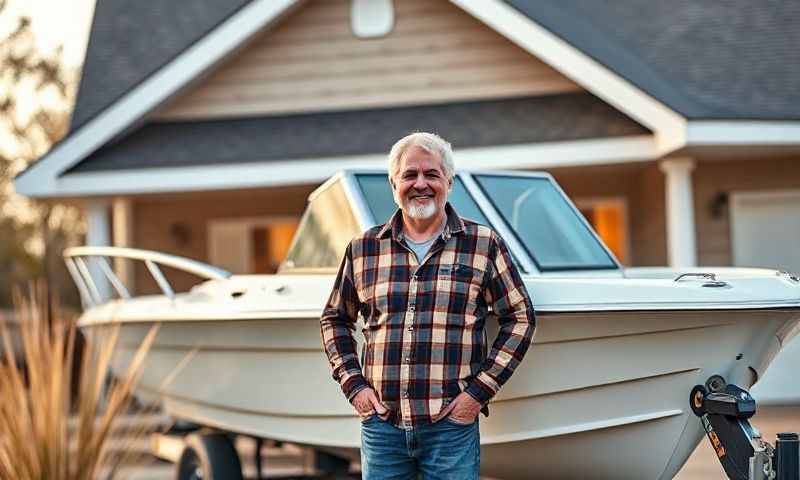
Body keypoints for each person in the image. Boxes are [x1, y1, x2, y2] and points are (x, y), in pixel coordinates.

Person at [320, 132, 535, 479]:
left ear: (448, 182)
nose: (421, 183)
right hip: (382, 427)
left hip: (451, 427)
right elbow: (334, 318)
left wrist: (477, 395)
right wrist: (355, 387)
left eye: (431, 174)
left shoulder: (483, 244)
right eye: (410, 174)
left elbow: (520, 317)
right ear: (394, 183)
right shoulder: (364, 249)